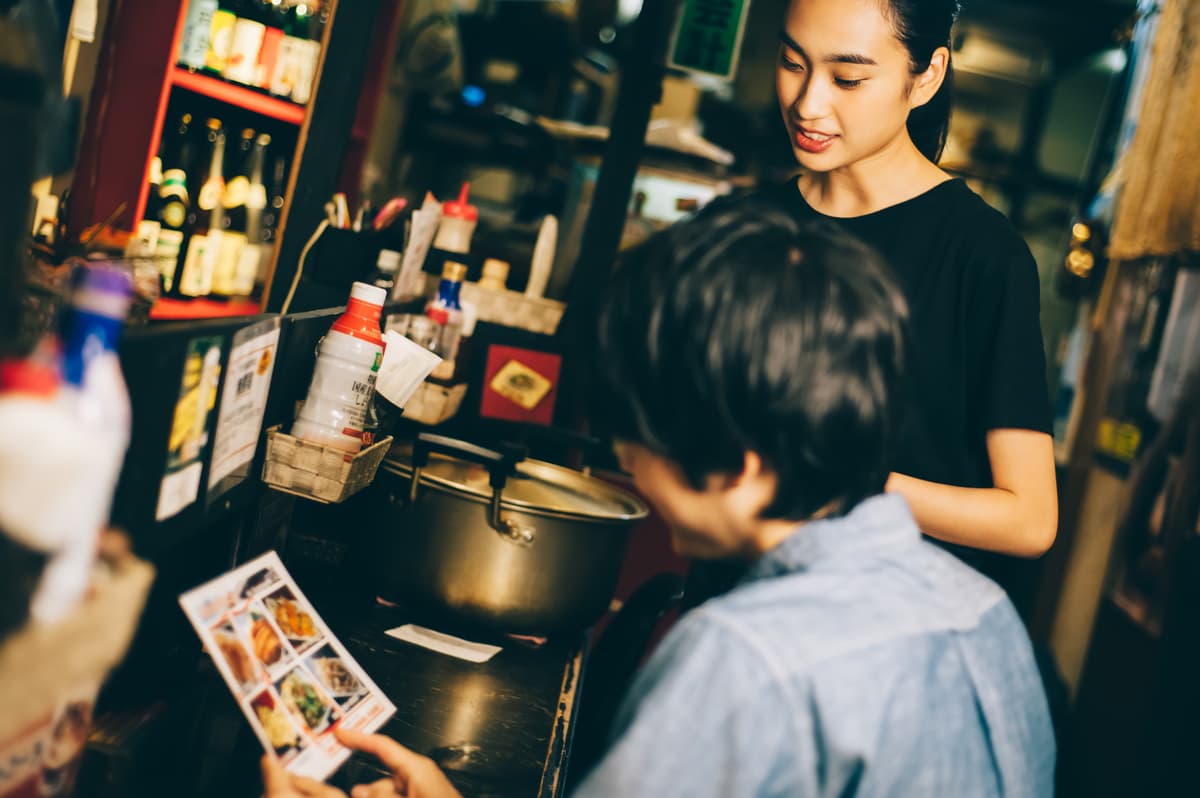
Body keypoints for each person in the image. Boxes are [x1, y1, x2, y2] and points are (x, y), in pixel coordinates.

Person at [264, 200, 1055, 797]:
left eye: (639, 442)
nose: (636, 471)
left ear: (738, 465)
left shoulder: (745, 657)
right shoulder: (982, 611)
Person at [758, 0, 1058, 612]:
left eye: (848, 78)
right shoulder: (750, 228)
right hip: (741, 606)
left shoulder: (982, 256)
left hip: (879, 638)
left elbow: (1029, 521)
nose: (809, 104)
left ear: (926, 76)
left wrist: (851, 482)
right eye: (792, 63)